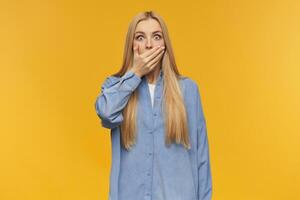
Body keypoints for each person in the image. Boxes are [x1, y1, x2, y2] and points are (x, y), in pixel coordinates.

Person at [95, 10, 212, 200]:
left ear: (165, 45)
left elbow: (202, 159)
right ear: (132, 45)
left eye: (156, 36)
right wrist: (135, 73)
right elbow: (107, 113)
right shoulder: (116, 87)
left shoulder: (188, 90)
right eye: (140, 37)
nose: (149, 44)